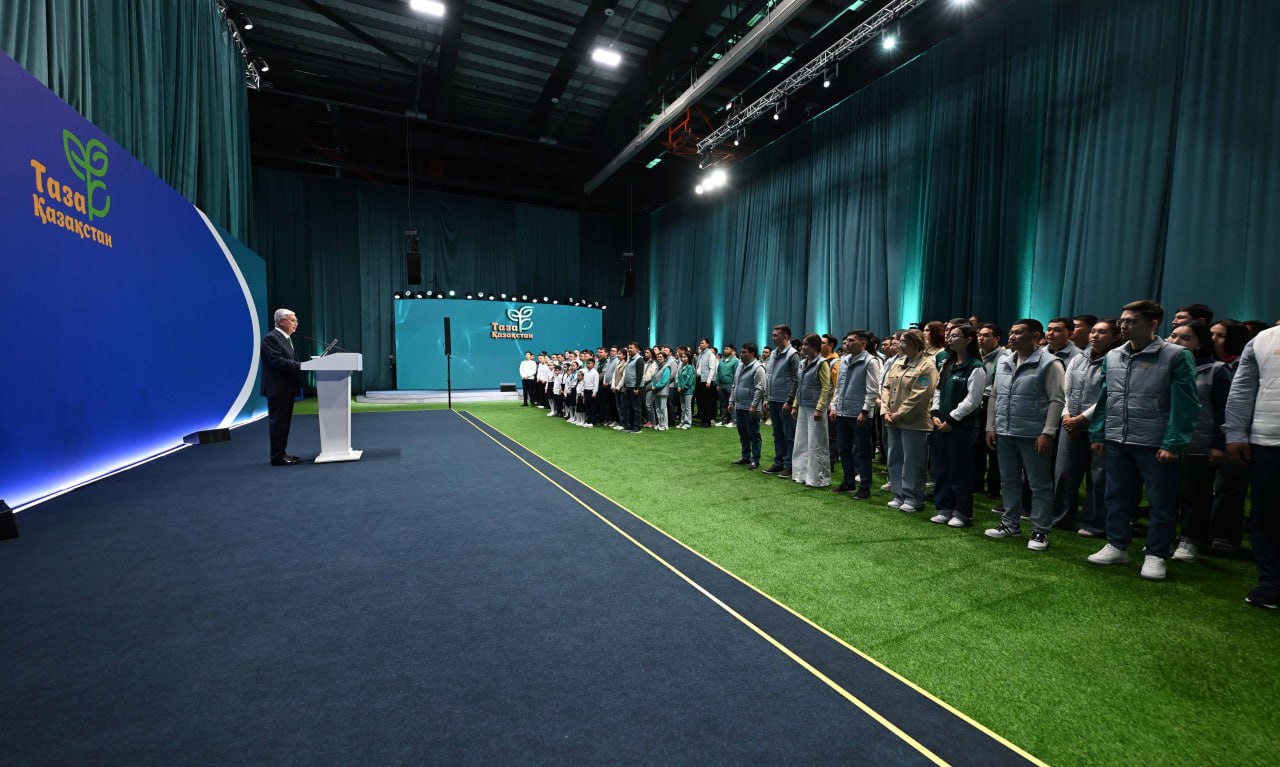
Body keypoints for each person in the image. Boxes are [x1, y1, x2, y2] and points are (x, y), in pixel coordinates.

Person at [1087, 300, 1201, 580]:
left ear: (1153, 324)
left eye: (1131, 321)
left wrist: (1173, 442)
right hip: (1117, 438)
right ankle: (1117, 545)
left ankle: (1156, 554)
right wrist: (1099, 432)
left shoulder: (1176, 355)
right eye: (1122, 321)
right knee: (1116, 496)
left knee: (1161, 501)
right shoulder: (1113, 356)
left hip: (1155, 442)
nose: (1124, 326)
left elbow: (1186, 404)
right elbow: (1105, 397)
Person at [984, 319, 1066, 550]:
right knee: (1009, 480)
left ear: (1035, 336)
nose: (1012, 337)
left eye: (1018, 333)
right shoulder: (1004, 361)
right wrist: (990, 426)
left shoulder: (1050, 363)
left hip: (1033, 434)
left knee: (1039, 484)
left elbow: (1057, 400)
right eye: (1011, 332)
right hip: (1004, 430)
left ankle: (1040, 530)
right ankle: (1010, 523)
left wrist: (1048, 432)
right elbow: (994, 396)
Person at [1223, 323, 1280, 608]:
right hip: (1268, 442)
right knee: (1267, 515)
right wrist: (1235, 433)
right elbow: (1242, 390)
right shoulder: (1263, 340)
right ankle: (1271, 581)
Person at [1169, 321, 1231, 562]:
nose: (1176, 342)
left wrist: (1218, 444)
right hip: (1166, 441)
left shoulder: (1216, 370)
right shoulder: (1166, 365)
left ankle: (1189, 541)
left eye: (1185, 338)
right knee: (1166, 493)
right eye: (1174, 336)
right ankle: (1164, 537)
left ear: (1201, 343)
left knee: (1195, 495)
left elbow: (1224, 411)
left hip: (1199, 443)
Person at [1053, 318, 1120, 537]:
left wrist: (1082, 418)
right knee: (1064, 472)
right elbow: (1066, 391)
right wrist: (1067, 415)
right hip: (1070, 422)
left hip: (1099, 425)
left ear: (1115, 337)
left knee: (1098, 476)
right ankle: (1061, 517)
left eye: (1102, 332)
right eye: (1093, 332)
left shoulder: (1117, 360)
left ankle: (1092, 523)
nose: (1095, 336)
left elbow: (1107, 395)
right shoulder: (1078, 358)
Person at [930, 325, 987, 527]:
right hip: (941, 425)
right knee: (941, 469)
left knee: (960, 471)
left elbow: (973, 400)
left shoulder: (976, 367)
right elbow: (938, 391)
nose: (950, 339)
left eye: (955, 336)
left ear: (968, 340)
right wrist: (935, 413)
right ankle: (944, 508)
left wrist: (952, 419)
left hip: (961, 428)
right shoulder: (949, 364)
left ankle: (962, 512)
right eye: (949, 335)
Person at [881, 329, 937, 513]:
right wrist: (885, 410)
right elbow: (886, 387)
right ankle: (898, 495)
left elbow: (920, 395)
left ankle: (913, 498)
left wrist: (900, 413)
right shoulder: (897, 363)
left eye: (904, 342)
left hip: (913, 422)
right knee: (894, 458)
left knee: (913, 462)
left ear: (916, 343)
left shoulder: (926, 366)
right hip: (892, 418)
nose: (900, 345)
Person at [830, 331, 882, 499]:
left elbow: (873, 389)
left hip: (860, 414)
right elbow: (839, 387)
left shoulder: (871, 361)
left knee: (862, 451)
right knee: (844, 449)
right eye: (847, 341)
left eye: (852, 341)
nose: (847, 343)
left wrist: (865, 411)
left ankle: (865, 486)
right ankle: (848, 481)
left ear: (863, 344)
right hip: (842, 412)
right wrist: (834, 406)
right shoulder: (844, 360)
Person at [790, 333, 833, 488]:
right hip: (802, 406)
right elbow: (799, 386)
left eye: (806, 344)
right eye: (803, 344)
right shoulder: (802, 363)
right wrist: (795, 405)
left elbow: (826, 387)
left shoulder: (822, 363)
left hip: (815, 408)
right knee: (801, 441)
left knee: (816, 443)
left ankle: (817, 478)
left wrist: (820, 408)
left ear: (815, 347)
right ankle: (800, 474)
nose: (803, 347)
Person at [262, 308, 303, 466]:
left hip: (286, 388)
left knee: (283, 424)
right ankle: (277, 457)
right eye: (293, 320)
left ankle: (281, 454)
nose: (296, 324)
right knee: (278, 424)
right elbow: (276, 361)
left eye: (296, 321)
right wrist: (302, 365)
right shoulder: (271, 338)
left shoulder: (285, 338)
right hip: (278, 389)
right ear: (281, 322)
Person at [763, 325, 801, 478]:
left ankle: (789, 465)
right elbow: (769, 376)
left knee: (789, 434)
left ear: (785, 336)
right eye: (773, 335)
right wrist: (767, 397)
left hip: (785, 401)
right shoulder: (773, 354)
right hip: (773, 399)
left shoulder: (793, 354)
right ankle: (779, 462)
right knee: (777, 433)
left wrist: (790, 400)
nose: (773, 338)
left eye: (776, 335)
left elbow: (796, 379)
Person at [729, 343, 767, 469]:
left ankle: (755, 459)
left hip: (751, 407)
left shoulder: (758, 368)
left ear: (752, 354)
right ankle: (745, 456)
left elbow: (760, 389)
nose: (741, 354)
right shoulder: (740, 366)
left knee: (754, 434)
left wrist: (754, 405)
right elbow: (734, 385)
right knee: (743, 433)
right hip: (739, 405)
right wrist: (731, 401)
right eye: (741, 351)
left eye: (744, 352)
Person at [716, 344, 739, 426]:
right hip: (721, 384)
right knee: (723, 404)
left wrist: (735, 385)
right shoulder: (721, 360)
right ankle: (724, 420)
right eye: (725, 349)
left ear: (732, 351)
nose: (725, 350)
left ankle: (733, 421)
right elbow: (718, 373)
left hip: (730, 384)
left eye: (727, 349)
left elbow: (736, 374)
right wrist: (717, 384)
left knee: (731, 403)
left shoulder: (735, 361)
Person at [650, 350, 672, 431]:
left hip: (662, 391)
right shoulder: (657, 367)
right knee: (657, 408)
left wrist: (656, 386)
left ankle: (665, 425)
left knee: (663, 408)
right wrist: (653, 385)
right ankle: (660, 423)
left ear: (665, 358)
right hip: (655, 390)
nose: (659, 358)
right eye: (658, 357)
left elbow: (664, 380)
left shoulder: (667, 367)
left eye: (661, 357)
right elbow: (653, 377)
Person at [676, 349, 696, 430]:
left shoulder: (690, 368)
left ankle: (687, 423)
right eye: (682, 357)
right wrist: (679, 386)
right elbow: (679, 378)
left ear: (688, 358)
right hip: (681, 389)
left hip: (688, 390)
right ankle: (682, 422)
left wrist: (682, 387)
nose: (683, 358)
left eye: (685, 357)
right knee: (682, 407)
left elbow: (689, 380)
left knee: (687, 407)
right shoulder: (681, 367)